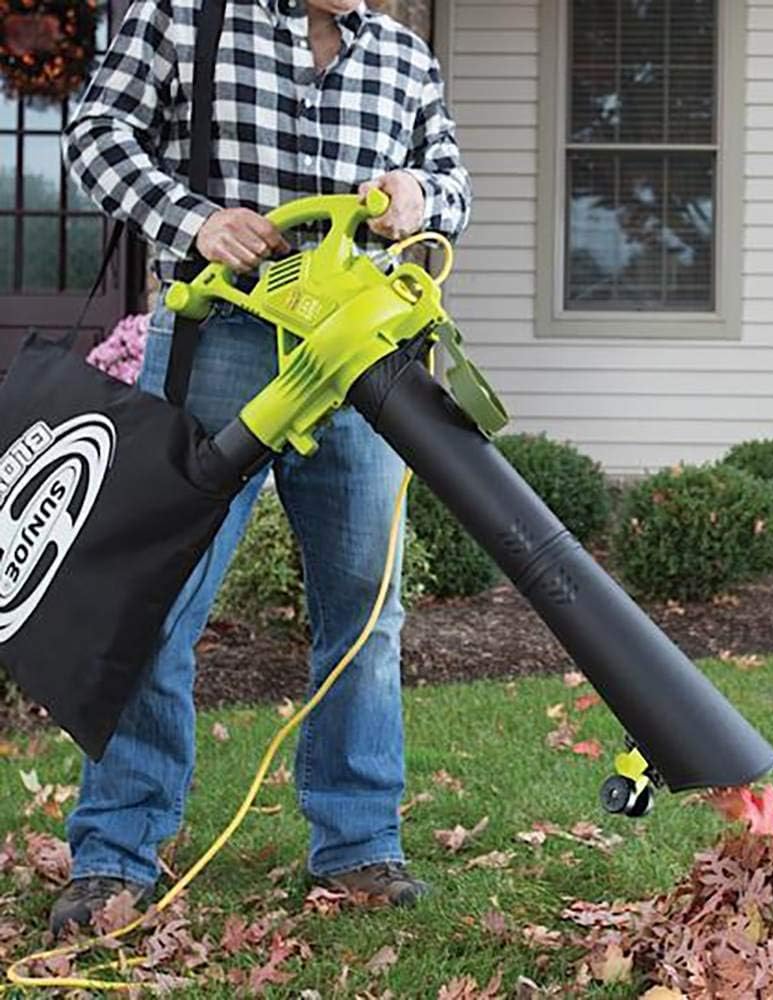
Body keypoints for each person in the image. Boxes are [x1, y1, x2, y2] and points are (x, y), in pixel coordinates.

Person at [53, 0, 471, 935]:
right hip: (220, 340)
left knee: (365, 612)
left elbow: (453, 183)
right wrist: (196, 221)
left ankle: (358, 845)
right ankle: (115, 852)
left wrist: (420, 199)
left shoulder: (406, 57)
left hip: (362, 359)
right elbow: (97, 134)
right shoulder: (182, 16)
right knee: (158, 601)